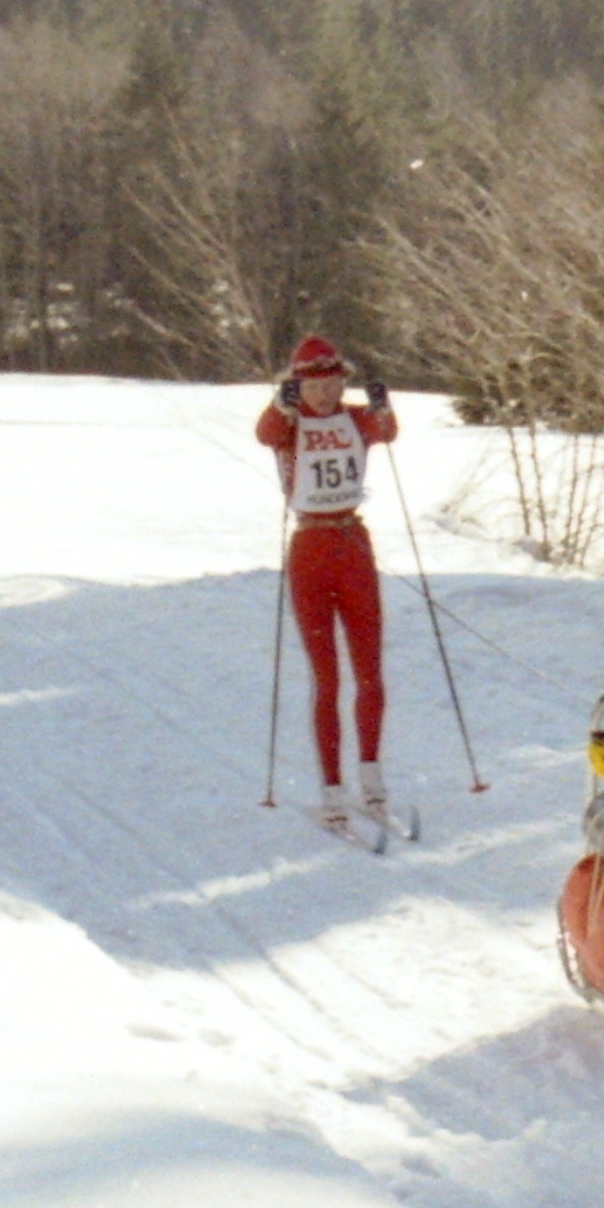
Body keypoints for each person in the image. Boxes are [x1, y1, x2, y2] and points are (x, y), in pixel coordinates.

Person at [253, 335, 399, 834]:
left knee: (369, 671)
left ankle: (372, 780)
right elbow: (265, 432)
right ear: (298, 387)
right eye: (314, 387)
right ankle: (332, 789)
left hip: (351, 542)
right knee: (327, 679)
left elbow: (387, 430)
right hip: (310, 549)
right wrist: (281, 403)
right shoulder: (290, 423)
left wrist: (383, 406)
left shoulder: (354, 419)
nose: (325, 395)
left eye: (334, 385)